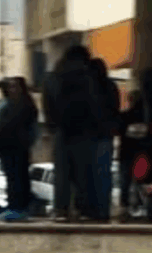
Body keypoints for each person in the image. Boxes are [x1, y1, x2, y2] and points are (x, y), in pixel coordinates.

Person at [43, 44, 107, 222]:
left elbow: (47, 105)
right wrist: (98, 125)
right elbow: (93, 103)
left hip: (61, 131)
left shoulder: (52, 77)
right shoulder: (86, 76)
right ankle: (84, 209)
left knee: (62, 174)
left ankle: (61, 209)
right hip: (83, 130)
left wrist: (52, 126)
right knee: (83, 173)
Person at [118, 67, 152, 221]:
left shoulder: (127, 116)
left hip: (128, 151)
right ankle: (145, 204)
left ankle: (126, 205)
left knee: (126, 180)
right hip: (149, 148)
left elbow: (120, 128)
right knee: (146, 178)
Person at [0, 77, 39, 221]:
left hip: (16, 147)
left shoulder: (21, 106)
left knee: (17, 179)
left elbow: (9, 127)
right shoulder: (11, 104)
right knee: (13, 179)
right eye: (10, 87)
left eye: (14, 86)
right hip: (9, 148)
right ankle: (16, 207)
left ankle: (17, 208)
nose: (11, 90)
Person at [89, 58, 122, 221]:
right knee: (104, 173)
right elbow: (115, 108)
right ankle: (103, 210)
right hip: (106, 134)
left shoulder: (87, 87)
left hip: (89, 135)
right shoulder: (111, 86)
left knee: (89, 174)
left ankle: (91, 209)